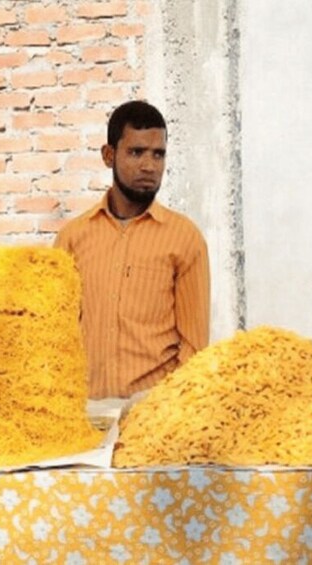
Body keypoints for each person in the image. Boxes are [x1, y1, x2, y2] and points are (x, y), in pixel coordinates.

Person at [54, 100, 210, 399]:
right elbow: (58, 337)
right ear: (108, 155)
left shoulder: (184, 238)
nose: (149, 166)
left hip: (154, 419)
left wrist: (166, 411)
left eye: (158, 154)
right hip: (87, 418)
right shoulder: (72, 239)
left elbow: (194, 349)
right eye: (136, 152)